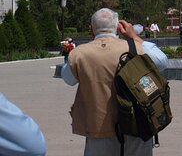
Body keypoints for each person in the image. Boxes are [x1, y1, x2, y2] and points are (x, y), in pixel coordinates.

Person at [61, 8, 168, 156]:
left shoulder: (80, 54)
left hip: (98, 128)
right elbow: (162, 62)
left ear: (92, 28)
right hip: (136, 124)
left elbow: (68, 79)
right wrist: (133, 37)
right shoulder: (134, 48)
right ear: (118, 26)